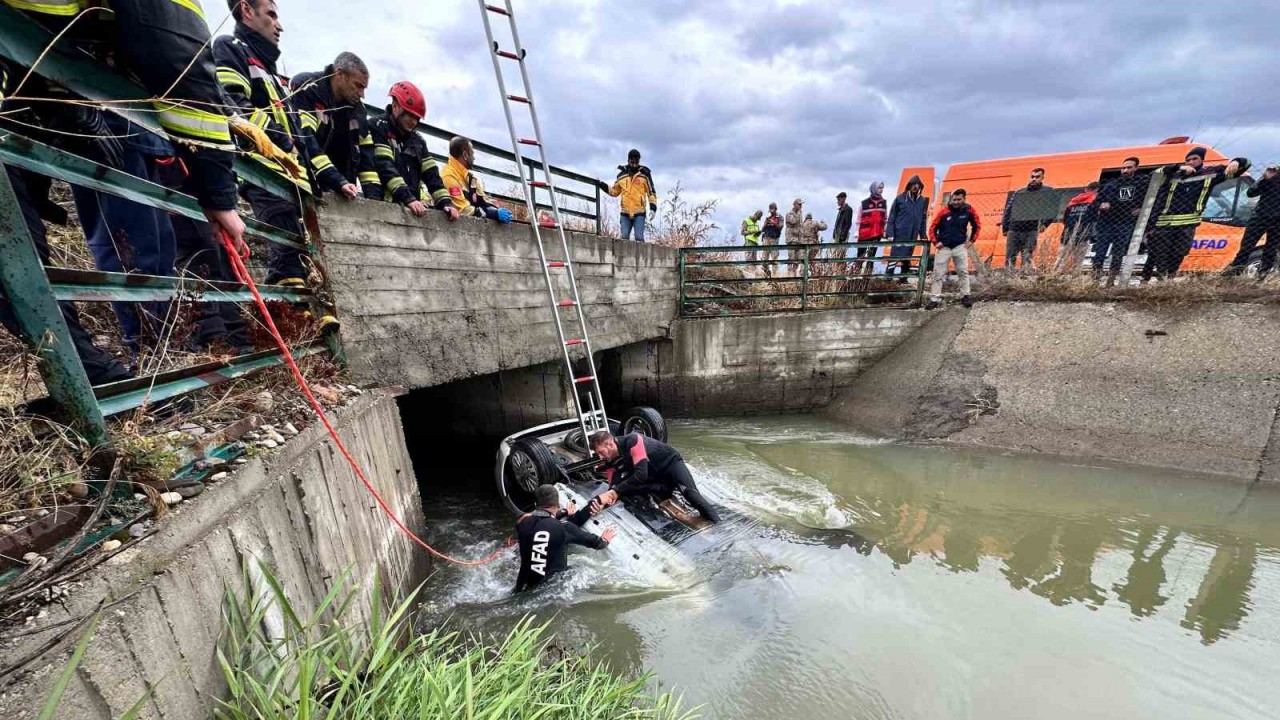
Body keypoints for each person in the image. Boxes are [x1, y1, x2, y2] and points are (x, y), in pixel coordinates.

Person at [1143, 147, 1248, 282]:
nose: (1191, 162)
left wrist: (1236, 161)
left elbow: (1243, 166)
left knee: (1180, 252)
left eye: (1194, 159)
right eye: (1188, 160)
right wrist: (1177, 168)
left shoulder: (1210, 174)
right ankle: (1162, 280)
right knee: (1161, 254)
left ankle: (1168, 277)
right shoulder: (1173, 175)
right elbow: (1153, 175)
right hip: (1164, 223)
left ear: (1202, 160)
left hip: (1188, 223)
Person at [366, 81, 460, 221]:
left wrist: (445, 202)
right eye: (410, 115)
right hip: (382, 208)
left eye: (417, 118)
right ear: (395, 106)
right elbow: (384, 166)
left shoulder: (418, 141)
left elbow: (432, 175)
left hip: (411, 211)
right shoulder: (378, 126)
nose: (414, 121)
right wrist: (408, 198)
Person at [590, 430, 720, 523]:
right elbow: (613, 488)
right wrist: (602, 505)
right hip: (657, 478)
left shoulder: (633, 440)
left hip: (671, 465)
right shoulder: (610, 461)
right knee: (623, 490)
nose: (601, 457)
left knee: (691, 495)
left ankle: (718, 524)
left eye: (601, 452)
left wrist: (615, 492)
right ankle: (663, 491)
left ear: (611, 444)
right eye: (598, 454)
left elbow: (641, 474)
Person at [514, 484, 615, 592]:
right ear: (557, 505)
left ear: (535, 504)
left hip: (521, 587)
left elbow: (540, 519)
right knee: (581, 569)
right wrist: (605, 539)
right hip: (551, 589)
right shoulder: (564, 527)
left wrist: (564, 512)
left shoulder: (522, 523)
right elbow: (597, 544)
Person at [1091, 157, 1150, 285]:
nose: (1125, 170)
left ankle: (1110, 281)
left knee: (1119, 252)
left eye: (1129, 167)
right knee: (1100, 251)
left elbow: (1150, 199)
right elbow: (1094, 203)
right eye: (1123, 168)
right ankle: (1095, 280)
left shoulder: (1141, 183)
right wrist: (1101, 205)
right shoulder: (1111, 184)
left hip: (1125, 221)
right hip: (1107, 222)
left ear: (1136, 168)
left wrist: (1141, 208)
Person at [926, 188, 980, 309]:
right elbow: (932, 228)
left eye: (959, 199)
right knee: (938, 274)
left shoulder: (969, 210)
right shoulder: (944, 212)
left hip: (960, 246)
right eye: (954, 199)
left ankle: (965, 296)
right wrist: (936, 242)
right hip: (944, 247)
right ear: (951, 199)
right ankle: (934, 298)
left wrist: (971, 241)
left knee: (963, 272)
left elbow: (977, 225)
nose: (956, 202)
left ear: (963, 199)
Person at [1225, 163, 1280, 278]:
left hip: (1277, 221)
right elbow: (1251, 193)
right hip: (1260, 217)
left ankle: (1263, 275)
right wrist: (1265, 179)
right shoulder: (1271, 175)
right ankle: (1234, 273)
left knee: (1271, 248)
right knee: (1246, 246)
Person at [441, 137, 513, 222]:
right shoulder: (449, 175)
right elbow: (463, 209)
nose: (474, 158)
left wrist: (496, 210)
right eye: (472, 153)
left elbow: (483, 201)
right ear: (465, 155)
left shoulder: (471, 178)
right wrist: (492, 214)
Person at [1001, 168, 1052, 271]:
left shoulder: (1047, 191)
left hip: (1031, 229)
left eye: (1037, 177)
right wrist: (1005, 227)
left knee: (1027, 256)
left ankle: (1024, 278)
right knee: (1010, 256)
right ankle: (1009, 278)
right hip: (1014, 228)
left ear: (1042, 177)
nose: (1034, 179)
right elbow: (1009, 209)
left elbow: (1052, 209)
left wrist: (1045, 224)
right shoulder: (1020, 192)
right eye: (1032, 176)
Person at [600, 149, 657, 242]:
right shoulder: (621, 176)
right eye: (632, 161)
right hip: (625, 213)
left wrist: (653, 208)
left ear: (639, 161)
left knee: (639, 238)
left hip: (639, 212)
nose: (634, 164)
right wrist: (602, 185)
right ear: (628, 160)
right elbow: (614, 192)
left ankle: (640, 256)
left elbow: (651, 192)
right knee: (624, 238)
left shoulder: (644, 174)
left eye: (636, 161)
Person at [886, 176, 928, 278]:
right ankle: (888, 277)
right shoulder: (900, 199)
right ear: (909, 185)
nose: (915, 186)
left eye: (917, 184)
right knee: (894, 256)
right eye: (913, 184)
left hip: (913, 233)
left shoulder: (922, 201)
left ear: (920, 186)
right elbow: (891, 217)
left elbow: (923, 219)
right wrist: (890, 233)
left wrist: (923, 234)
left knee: (907, 255)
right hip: (899, 233)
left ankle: (903, 278)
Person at [1057, 181, 1099, 268]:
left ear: (1086, 189)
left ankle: (1054, 275)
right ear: (1097, 190)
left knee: (1061, 259)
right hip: (1083, 233)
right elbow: (1096, 217)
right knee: (1078, 261)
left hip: (1067, 233)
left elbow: (1064, 219)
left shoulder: (1073, 201)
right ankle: (1075, 277)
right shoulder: (1095, 200)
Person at [856, 182, 888, 272]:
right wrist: (856, 231)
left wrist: (885, 231)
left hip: (877, 234)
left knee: (871, 256)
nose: (881, 190)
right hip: (864, 233)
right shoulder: (864, 203)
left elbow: (885, 218)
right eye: (879, 188)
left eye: (882, 188)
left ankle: (867, 277)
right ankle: (855, 276)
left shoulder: (884, 203)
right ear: (874, 189)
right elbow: (858, 218)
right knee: (860, 256)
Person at [761, 202, 784, 275]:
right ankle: (765, 274)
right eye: (770, 210)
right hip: (766, 239)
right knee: (765, 257)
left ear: (776, 209)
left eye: (773, 210)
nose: (771, 211)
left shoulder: (779, 217)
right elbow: (763, 229)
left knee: (774, 257)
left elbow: (780, 227)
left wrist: (773, 223)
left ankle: (775, 275)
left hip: (774, 239)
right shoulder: (768, 218)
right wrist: (765, 224)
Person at [833, 191, 853, 256]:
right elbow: (837, 223)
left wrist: (843, 236)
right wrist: (834, 233)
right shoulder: (840, 210)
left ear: (843, 199)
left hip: (842, 236)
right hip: (837, 235)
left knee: (841, 255)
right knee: (835, 255)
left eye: (839, 200)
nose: (837, 202)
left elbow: (848, 224)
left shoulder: (848, 209)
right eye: (837, 200)